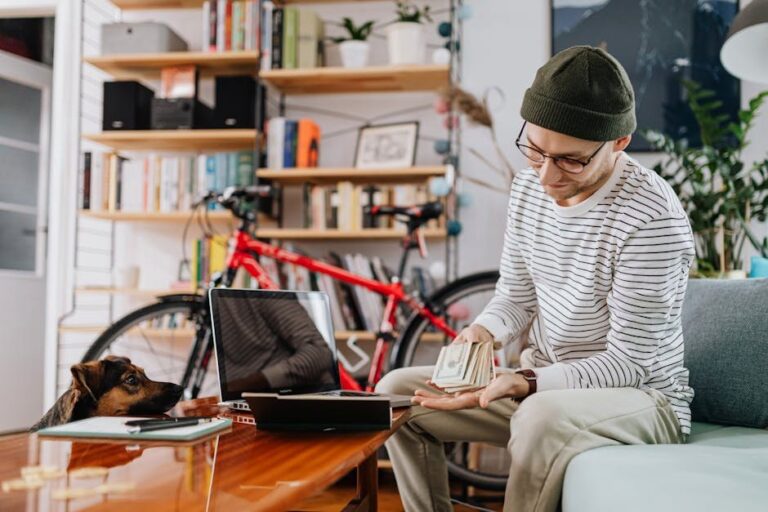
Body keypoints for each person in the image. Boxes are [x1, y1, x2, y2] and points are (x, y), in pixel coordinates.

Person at [376, 45, 695, 512]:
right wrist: (483, 332)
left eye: (571, 160)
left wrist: (526, 381)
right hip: (547, 385)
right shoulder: (529, 188)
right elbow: (516, 296)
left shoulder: (651, 219)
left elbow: (630, 364)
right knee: (396, 394)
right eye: (535, 150)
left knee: (542, 413)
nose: (546, 176)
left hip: (641, 399)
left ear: (619, 142)